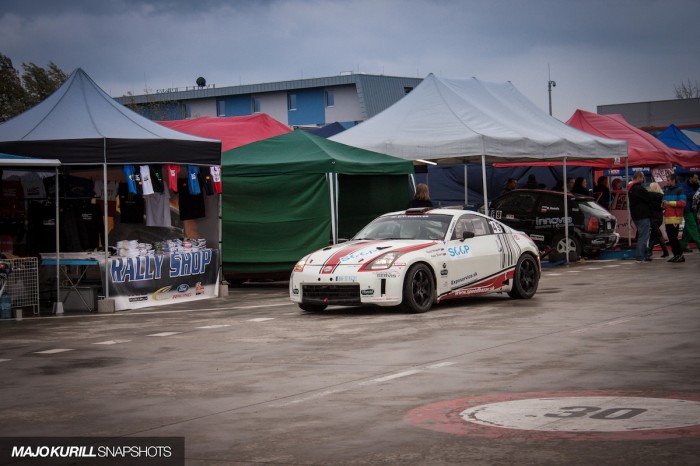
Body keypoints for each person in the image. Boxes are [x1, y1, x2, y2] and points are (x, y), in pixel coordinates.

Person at [627, 171, 653, 262]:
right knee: (643, 236)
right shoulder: (638, 188)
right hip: (643, 215)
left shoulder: (630, 189)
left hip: (636, 216)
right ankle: (640, 255)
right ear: (638, 177)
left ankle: (643, 254)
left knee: (641, 235)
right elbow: (649, 198)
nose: (643, 180)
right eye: (642, 178)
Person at [662, 173, 687, 263]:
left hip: (675, 217)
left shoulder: (680, 190)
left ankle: (680, 255)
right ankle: (676, 255)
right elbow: (664, 200)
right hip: (668, 216)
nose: (667, 182)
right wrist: (663, 204)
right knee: (670, 238)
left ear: (673, 180)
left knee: (673, 237)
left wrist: (669, 203)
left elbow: (683, 203)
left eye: (668, 180)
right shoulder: (667, 190)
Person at [679, 173, 700, 253]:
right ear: (690, 178)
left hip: (694, 209)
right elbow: (685, 195)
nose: (696, 180)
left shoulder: (696, 185)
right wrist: (696, 194)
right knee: (693, 227)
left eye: (697, 178)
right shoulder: (684, 186)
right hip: (687, 209)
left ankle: (683, 246)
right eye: (695, 178)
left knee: (688, 229)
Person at [647, 182, 669, 258]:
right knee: (655, 234)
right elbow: (664, 206)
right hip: (659, 217)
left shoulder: (649, 195)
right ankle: (664, 252)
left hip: (652, 217)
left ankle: (649, 251)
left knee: (657, 235)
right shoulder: (662, 196)